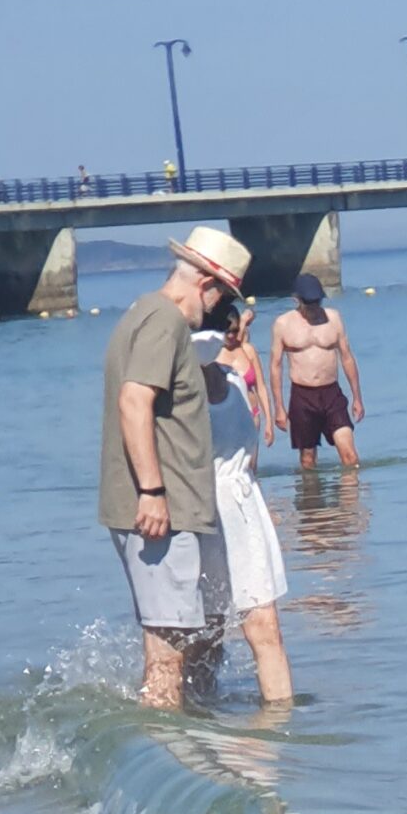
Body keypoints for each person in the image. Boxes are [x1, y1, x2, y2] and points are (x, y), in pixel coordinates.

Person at [101, 225, 245, 710]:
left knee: (200, 635)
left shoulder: (148, 315)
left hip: (178, 509)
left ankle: (195, 732)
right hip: (163, 513)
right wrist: (152, 492)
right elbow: (133, 402)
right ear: (206, 283)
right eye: (223, 295)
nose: (222, 306)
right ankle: (168, 749)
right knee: (168, 652)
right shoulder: (163, 322)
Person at [193, 328, 294, 702]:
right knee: (206, 632)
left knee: (265, 626)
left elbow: (249, 455)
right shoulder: (175, 397)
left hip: (245, 508)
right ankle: (199, 716)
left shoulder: (235, 380)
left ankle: (281, 729)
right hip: (202, 511)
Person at [270, 271, 363, 469]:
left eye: (317, 302)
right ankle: (313, 499)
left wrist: (357, 397)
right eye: (309, 303)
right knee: (308, 460)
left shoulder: (333, 318)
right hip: (302, 396)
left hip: (332, 394)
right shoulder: (283, 324)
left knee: (350, 456)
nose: (314, 307)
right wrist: (278, 406)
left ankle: (350, 500)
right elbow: (275, 365)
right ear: (297, 300)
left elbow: (346, 357)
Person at [217, 299, 275, 443]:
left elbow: (260, 387)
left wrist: (269, 420)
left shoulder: (248, 350)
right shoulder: (213, 354)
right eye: (227, 331)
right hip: (224, 419)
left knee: (251, 465)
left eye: (235, 331)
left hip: (252, 416)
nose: (231, 335)